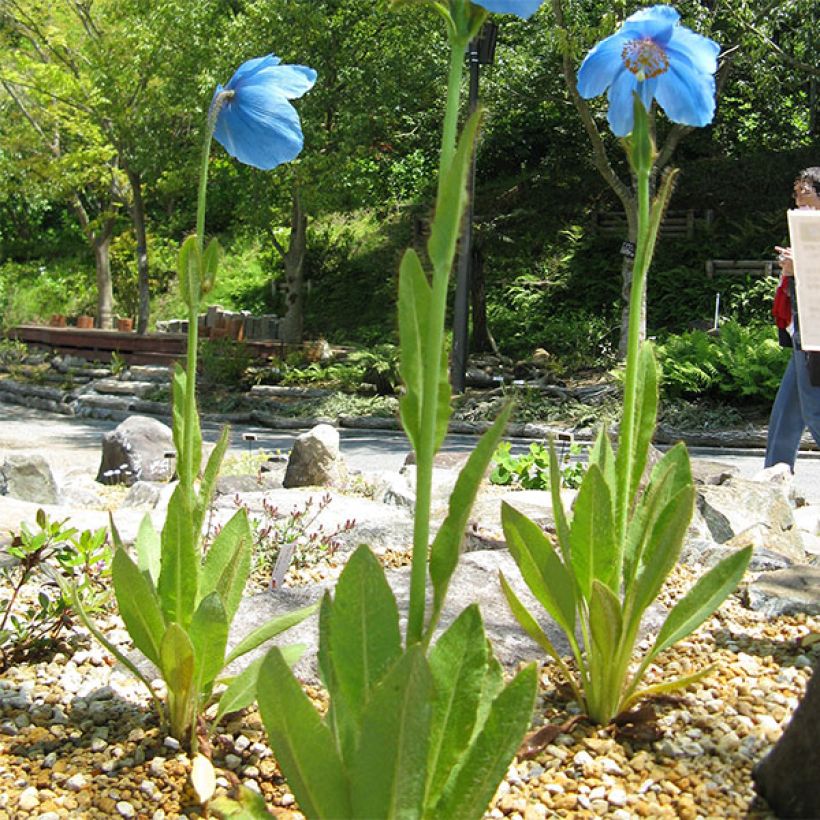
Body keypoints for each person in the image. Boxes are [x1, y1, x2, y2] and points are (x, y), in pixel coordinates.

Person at [764, 166, 820, 470]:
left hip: (817, 334)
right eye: (796, 192)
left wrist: (798, 269)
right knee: (787, 411)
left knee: (815, 411)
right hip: (803, 330)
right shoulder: (805, 229)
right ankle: (774, 477)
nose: (798, 198)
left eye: (806, 191)